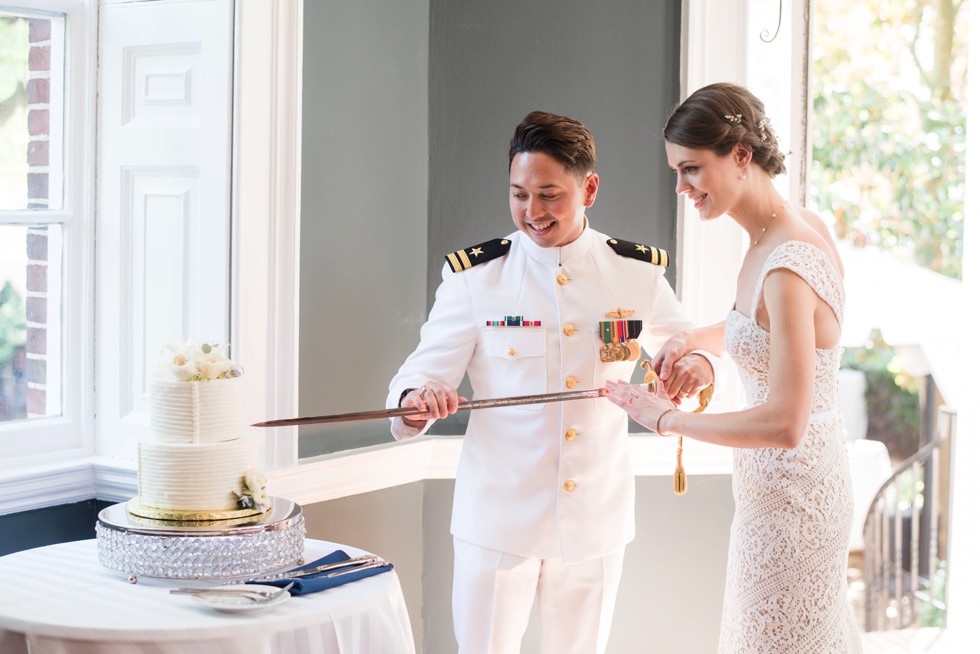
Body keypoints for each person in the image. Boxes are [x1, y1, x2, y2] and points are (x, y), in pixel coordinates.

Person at [386, 110, 715, 654]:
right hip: (497, 521)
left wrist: (698, 369)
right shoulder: (475, 278)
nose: (532, 212)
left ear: (589, 188)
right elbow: (418, 375)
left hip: (595, 519)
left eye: (549, 195)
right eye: (518, 195)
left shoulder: (636, 273)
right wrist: (417, 401)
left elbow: (693, 349)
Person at [605, 82, 862, 653]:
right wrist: (700, 340)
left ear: (741, 156)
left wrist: (666, 419)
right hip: (776, 495)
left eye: (692, 169)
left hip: (795, 504)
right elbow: (778, 334)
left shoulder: (786, 264)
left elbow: (785, 423)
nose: (681, 187)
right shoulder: (786, 231)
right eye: (677, 171)